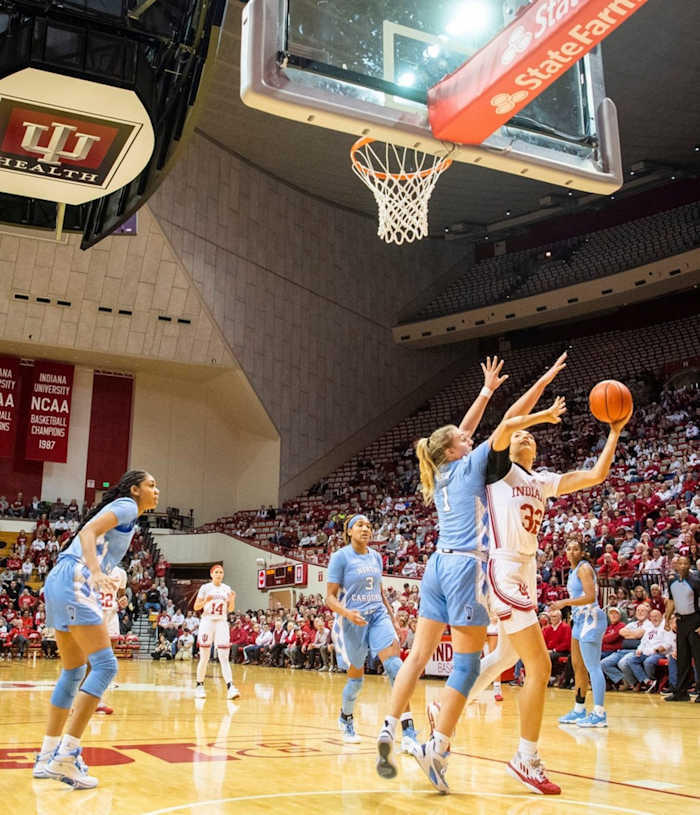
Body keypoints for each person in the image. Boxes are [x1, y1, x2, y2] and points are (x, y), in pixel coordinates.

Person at [376, 353, 566, 794]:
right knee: (464, 666)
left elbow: (465, 428)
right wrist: (543, 404)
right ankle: (437, 749)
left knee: (418, 656)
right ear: (456, 447)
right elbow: (508, 421)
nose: (469, 436)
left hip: (435, 564)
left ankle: (390, 723)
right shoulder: (472, 463)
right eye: (464, 437)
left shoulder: (442, 468)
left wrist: (485, 391)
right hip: (466, 566)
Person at [465, 395, 630, 793]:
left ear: (535, 449)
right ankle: (527, 757)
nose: (522, 435)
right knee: (538, 667)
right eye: (520, 433)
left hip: (527, 569)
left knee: (504, 656)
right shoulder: (500, 472)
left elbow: (594, 475)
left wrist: (614, 432)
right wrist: (538, 416)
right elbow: (504, 427)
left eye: (529, 435)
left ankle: (446, 708)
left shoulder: (541, 481)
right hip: (504, 566)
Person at [34, 469, 158, 788]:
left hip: (59, 578)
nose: (157, 491)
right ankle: (66, 755)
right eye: (151, 485)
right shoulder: (128, 505)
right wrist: (95, 572)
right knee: (105, 666)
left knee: (74, 671)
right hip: (77, 577)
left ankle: (47, 756)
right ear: (135, 489)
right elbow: (89, 531)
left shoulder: (127, 512)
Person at [327, 514, 411, 745]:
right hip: (352, 621)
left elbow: (380, 590)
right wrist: (346, 613)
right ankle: (345, 717)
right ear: (349, 531)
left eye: (369, 526)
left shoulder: (376, 557)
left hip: (377, 616)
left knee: (395, 667)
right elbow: (330, 597)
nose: (365, 529)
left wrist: (392, 617)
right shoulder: (340, 557)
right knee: (356, 682)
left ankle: (408, 732)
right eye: (360, 525)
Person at [553, 540, 609, 727]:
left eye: (576, 548)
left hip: (591, 618)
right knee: (578, 666)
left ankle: (599, 713)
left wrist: (565, 603)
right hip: (578, 620)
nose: (572, 551)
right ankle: (579, 709)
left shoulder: (584, 568)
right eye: (568, 548)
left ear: (582, 552)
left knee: (593, 666)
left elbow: (590, 596)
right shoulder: (571, 571)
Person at [193, 564, 239, 700]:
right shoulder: (205, 588)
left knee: (224, 656)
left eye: (221, 572)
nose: (219, 574)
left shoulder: (226, 588)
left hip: (221, 622)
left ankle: (230, 687)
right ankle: (199, 685)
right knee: (205, 657)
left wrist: (232, 601)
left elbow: (230, 609)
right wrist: (205, 601)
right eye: (216, 572)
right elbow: (196, 607)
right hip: (207, 621)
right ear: (212, 574)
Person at [664, 555, 700, 702]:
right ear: (676, 566)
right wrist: (667, 618)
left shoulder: (696, 581)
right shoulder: (672, 581)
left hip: (695, 620)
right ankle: (681, 692)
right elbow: (672, 601)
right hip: (681, 621)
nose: (683, 566)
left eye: (686, 563)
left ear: (689, 565)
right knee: (682, 659)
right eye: (681, 563)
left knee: (698, 658)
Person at [94, 562, 128, 715]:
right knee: (91, 658)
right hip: (94, 614)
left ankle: (99, 698)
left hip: (111, 615)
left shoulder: (120, 573)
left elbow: (121, 593)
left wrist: (123, 599)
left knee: (109, 656)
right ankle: (85, 698)